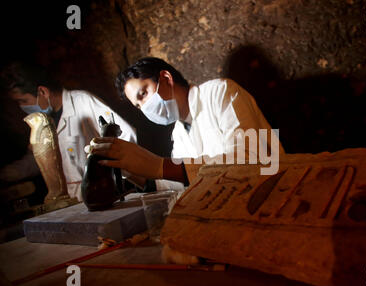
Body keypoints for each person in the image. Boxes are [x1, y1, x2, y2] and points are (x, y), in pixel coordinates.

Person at [88, 57, 284, 188]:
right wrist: (130, 170)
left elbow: (249, 161)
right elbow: (181, 181)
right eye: (138, 106)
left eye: (144, 93)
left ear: (165, 78)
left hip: (274, 195)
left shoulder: (221, 92)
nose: (145, 107)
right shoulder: (179, 132)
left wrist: (158, 165)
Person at [1, 62, 137, 200]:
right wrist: (5, 175)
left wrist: (115, 177)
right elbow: (36, 160)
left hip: (102, 194)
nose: (22, 107)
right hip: (70, 200)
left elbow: (126, 133)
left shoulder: (82, 101)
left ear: (43, 92)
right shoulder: (42, 122)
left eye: (23, 101)